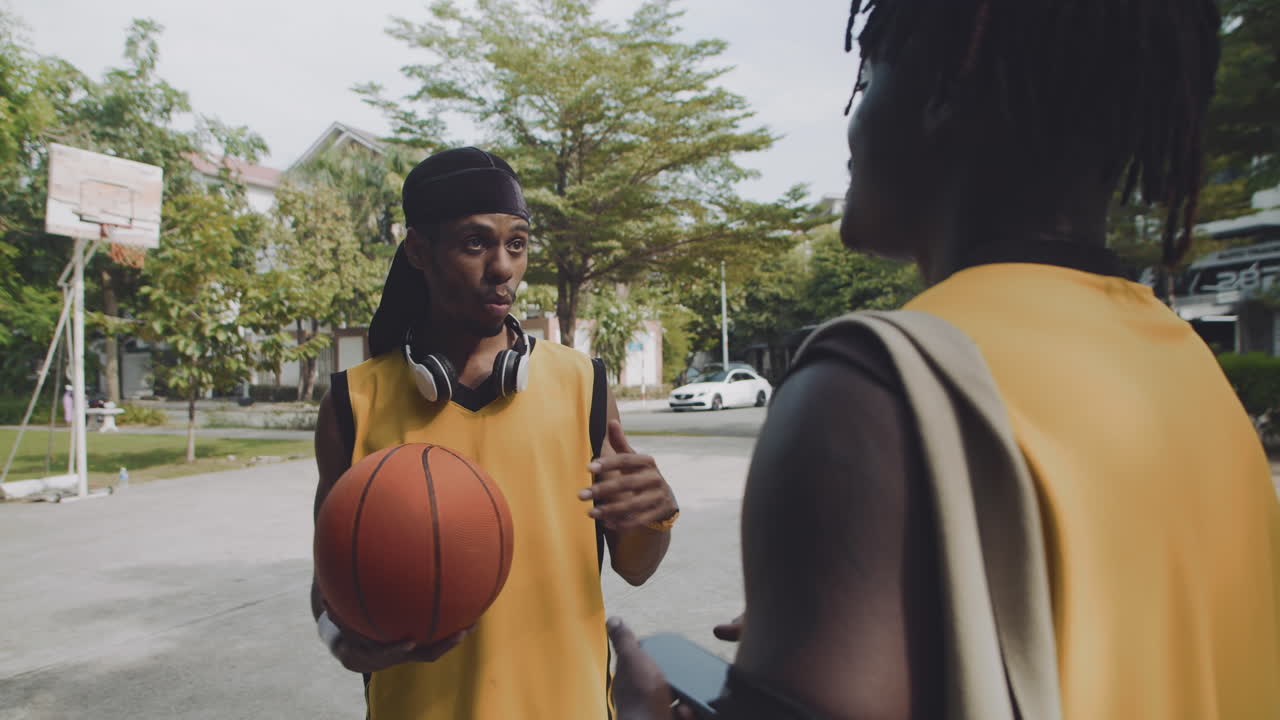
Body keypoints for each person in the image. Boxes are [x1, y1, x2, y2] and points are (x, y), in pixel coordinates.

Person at [610, 0, 1280, 718]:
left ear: (940, 95)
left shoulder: (873, 384)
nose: (853, 120)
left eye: (867, 82)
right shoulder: (1184, 364)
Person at [310, 147, 680, 719]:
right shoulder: (352, 404)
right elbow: (329, 586)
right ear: (419, 251)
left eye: (517, 243)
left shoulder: (582, 383)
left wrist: (655, 515)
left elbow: (636, 566)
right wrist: (341, 640)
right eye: (475, 243)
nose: (504, 266)